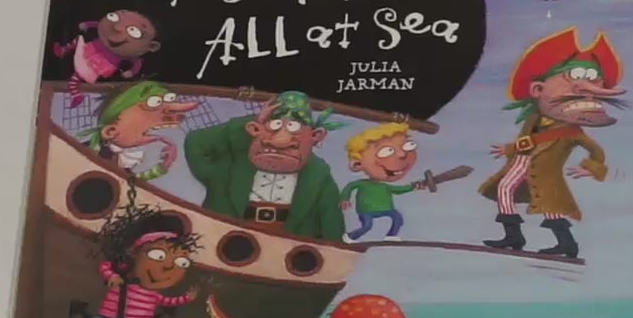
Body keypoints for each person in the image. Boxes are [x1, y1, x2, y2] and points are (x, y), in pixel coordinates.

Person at [477, 28, 624, 257]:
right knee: (505, 188)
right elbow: (529, 140)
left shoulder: (572, 131)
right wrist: (510, 149)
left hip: (545, 171)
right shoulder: (534, 118)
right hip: (522, 161)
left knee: (549, 205)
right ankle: (514, 236)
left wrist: (592, 168)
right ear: (537, 90)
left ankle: (566, 243)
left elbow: (595, 150)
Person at [183, 90, 345, 241]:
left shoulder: (319, 178)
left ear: (315, 136)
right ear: (254, 129)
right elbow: (196, 143)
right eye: (275, 125)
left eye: (293, 127)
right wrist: (250, 123)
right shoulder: (229, 167)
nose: (280, 141)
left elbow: (332, 232)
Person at [64, 208, 202, 318]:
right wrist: (113, 276)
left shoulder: (153, 294)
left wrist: (186, 299)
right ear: (134, 254)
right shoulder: (122, 278)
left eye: (182, 263)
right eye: (158, 255)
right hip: (110, 314)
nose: (168, 267)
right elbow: (105, 267)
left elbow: (167, 302)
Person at [84, 81, 198, 181]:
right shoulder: (88, 152)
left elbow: (133, 181)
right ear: (111, 131)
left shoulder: (121, 162)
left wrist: (165, 164)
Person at [50, 9, 160, 107]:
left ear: (151, 46)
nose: (117, 28)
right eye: (114, 17)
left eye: (133, 31)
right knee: (78, 43)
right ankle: (63, 52)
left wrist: (131, 72)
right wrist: (87, 24)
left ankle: (76, 95)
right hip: (91, 50)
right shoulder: (106, 32)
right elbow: (98, 25)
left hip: (101, 65)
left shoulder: (129, 54)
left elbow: (137, 62)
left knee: (76, 77)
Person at [340, 123, 421, 242]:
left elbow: (398, 190)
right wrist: (345, 198)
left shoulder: (384, 186)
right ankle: (350, 236)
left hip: (385, 208)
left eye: (408, 146)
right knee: (367, 226)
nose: (402, 155)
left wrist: (414, 186)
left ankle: (391, 235)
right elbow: (350, 187)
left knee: (397, 218)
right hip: (367, 210)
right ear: (357, 164)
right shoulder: (362, 184)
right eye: (386, 151)